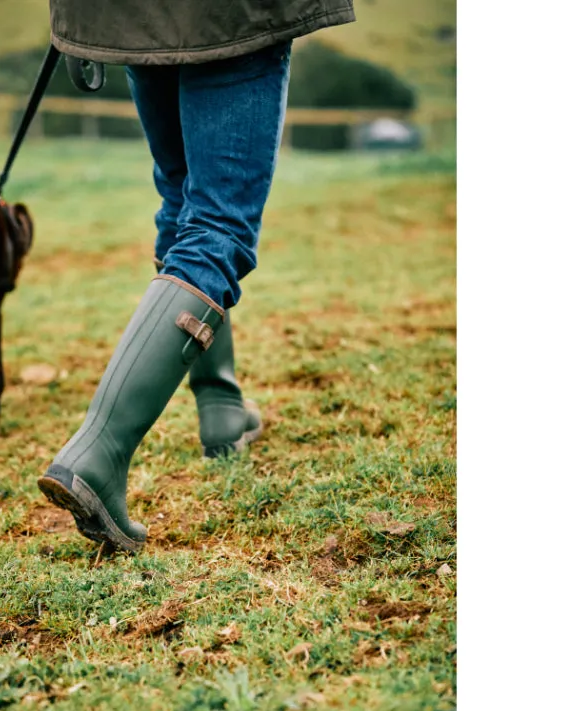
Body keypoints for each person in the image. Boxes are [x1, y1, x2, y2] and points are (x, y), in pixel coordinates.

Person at [38, 1, 356, 553]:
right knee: (217, 226)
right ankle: (99, 453)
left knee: (185, 200)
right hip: (229, 11)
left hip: (130, 13)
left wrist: (82, 23)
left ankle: (222, 410)